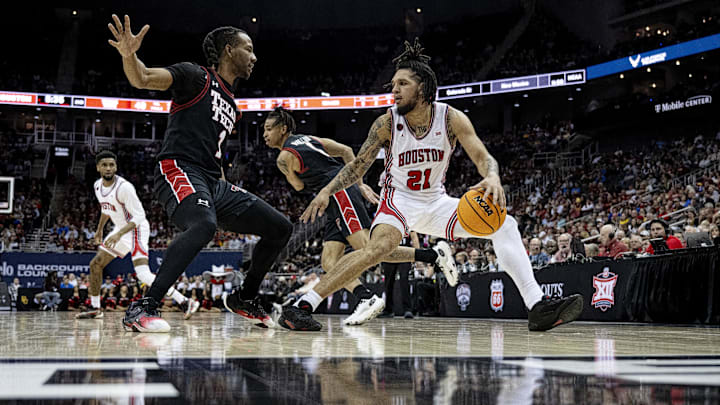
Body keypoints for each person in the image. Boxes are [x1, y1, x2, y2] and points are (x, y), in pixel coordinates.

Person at [280, 39, 583, 331]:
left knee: (505, 224)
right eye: (393, 84)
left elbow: (483, 156)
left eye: (402, 84)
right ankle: (304, 304)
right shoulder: (386, 123)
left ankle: (537, 306)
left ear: (422, 88)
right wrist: (325, 190)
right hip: (396, 200)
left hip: (436, 202)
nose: (394, 89)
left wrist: (492, 175)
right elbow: (358, 165)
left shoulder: (451, 118)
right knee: (379, 248)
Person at [108, 15, 292, 332]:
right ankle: (144, 307)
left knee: (280, 227)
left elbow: (214, 150)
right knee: (204, 224)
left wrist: (221, 187)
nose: (254, 56)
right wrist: (129, 54)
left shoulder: (232, 103)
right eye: (249, 49)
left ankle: (245, 298)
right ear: (229, 49)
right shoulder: (196, 77)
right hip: (178, 167)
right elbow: (143, 78)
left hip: (212, 181)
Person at [262, 107, 451, 325]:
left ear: (283, 129)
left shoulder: (284, 158)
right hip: (339, 195)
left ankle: (432, 255)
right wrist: (359, 185)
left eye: (268, 129)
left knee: (368, 249)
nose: (265, 134)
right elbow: (346, 151)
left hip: (338, 193)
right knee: (329, 261)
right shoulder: (309, 138)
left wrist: (306, 177)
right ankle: (365, 296)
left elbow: (297, 186)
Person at [75, 150, 199, 321]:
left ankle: (185, 301)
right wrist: (99, 230)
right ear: (98, 168)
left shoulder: (124, 187)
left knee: (143, 274)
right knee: (95, 264)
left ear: (116, 167)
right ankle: (95, 308)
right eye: (104, 165)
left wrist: (118, 234)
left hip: (136, 229)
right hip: (120, 230)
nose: (108, 168)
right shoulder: (98, 186)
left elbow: (139, 216)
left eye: (112, 165)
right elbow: (106, 208)